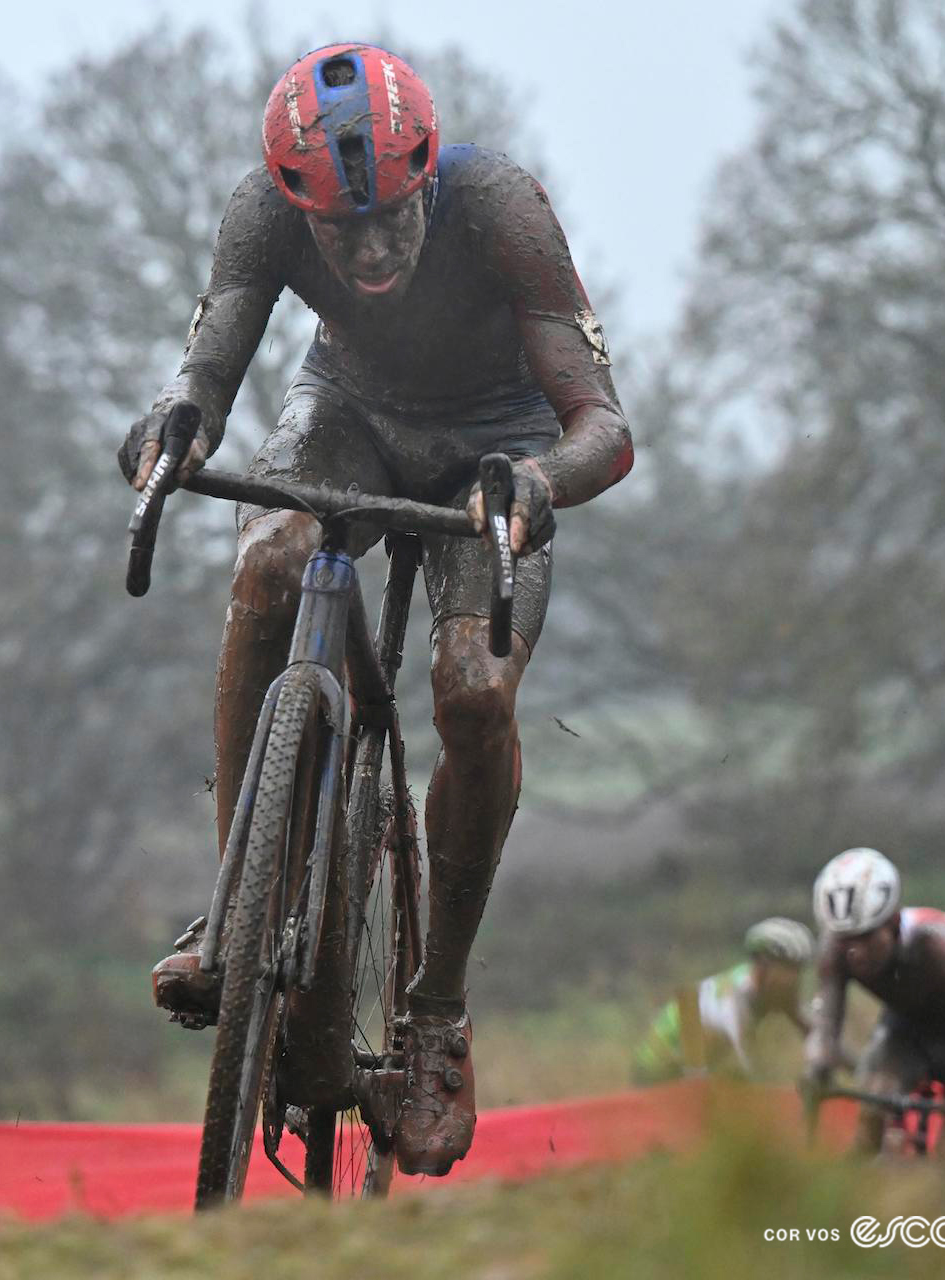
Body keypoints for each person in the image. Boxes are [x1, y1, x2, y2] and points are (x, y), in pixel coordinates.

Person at [120, 42, 633, 1176]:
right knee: (269, 556)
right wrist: (174, 426)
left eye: (391, 217)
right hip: (348, 413)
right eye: (339, 232)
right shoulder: (265, 212)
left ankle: (438, 1008)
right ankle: (234, 915)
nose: (369, 250)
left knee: (472, 688)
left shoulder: (502, 209)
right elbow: (207, 371)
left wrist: (540, 484)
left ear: (430, 174)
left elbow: (603, 422)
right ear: (300, 208)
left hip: (495, 452)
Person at [804, 847, 945, 1156]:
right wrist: (816, 1064)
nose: (856, 951)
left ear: (892, 922)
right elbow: (825, 1024)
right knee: (872, 1106)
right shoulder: (834, 949)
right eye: (846, 939)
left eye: (866, 936)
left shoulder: (938, 947)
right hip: (907, 1030)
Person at [631, 918, 814, 1085]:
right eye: (787, 969)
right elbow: (742, 1058)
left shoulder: (775, 991)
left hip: (698, 1065)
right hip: (657, 1068)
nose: (793, 979)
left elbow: (813, 1030)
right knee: (729, 1063)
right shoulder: (734, 995)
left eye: (798, 970)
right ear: (762, 966)